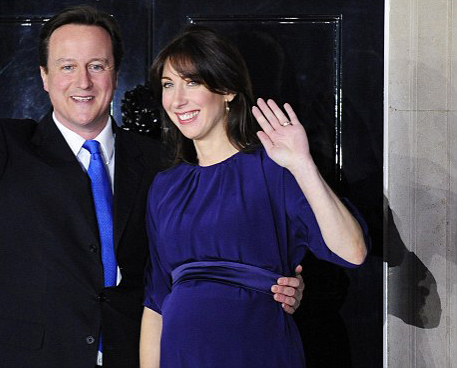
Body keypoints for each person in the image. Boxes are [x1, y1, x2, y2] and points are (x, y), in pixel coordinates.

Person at [0, 2, 304, 367]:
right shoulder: (5, 147)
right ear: (44, 77)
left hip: (134, 354)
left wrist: (279, 282)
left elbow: (206, 251)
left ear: (115, 74)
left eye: (96, 66)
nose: (82, 82)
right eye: (67, 67)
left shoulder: (163, 163)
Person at [139, 26, 369, 368]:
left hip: (256, 347)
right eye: (168, 85)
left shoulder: (273, 169)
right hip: (181, 354)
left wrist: (302, 165)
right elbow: (156, 301)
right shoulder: (165, 187)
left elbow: (352, 251)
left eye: (192, 82)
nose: (177, 100)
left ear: (228, 89)